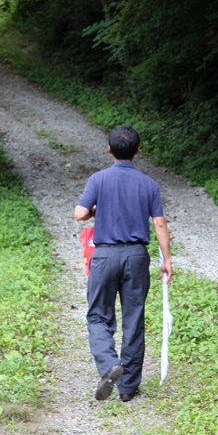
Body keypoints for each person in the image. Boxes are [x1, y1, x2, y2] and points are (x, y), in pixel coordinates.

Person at [74, 125, 173, 402]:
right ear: (138, 151)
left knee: (98, 315)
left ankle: (108, 365)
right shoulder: (148, 184)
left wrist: (96, 209)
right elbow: (160, 223)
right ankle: (128, 387)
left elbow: (79, 213)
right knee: (133, 319)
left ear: (109, 149)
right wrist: (167, 260)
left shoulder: (98, 179)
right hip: (137, 257)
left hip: (105, 256)